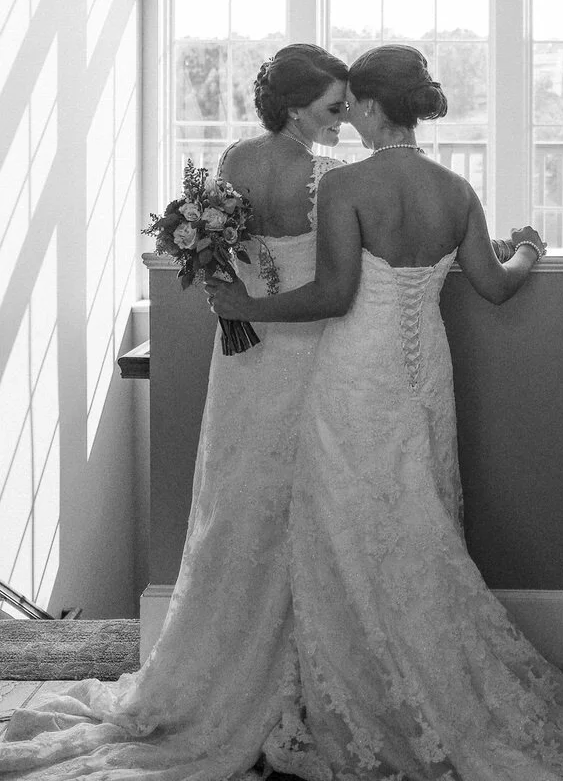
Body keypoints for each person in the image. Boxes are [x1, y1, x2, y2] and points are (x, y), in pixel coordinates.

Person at [208, 43, 563, 781]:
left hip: (353, 374)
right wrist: (528, 249)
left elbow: (333, 294)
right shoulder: (454, 188)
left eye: (352, 104)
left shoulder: (344, 186)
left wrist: (251, 306)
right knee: (421, 518)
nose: (347, 115)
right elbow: (495, 285)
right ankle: (433, 680)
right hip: (425, 375)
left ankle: (358, 691)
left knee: (344, 526)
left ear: (371, 106)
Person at [0, 44, 351, 781]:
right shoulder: (328, 175)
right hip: (306, 349)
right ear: (295, 107)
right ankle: (293, 677)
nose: (342, 116)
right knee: (296, 501)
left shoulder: (233, 157)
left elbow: (220, 253)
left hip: (244, 355)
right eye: (331, 104)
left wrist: (234, 307)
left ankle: (228, 662)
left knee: (238, 502)